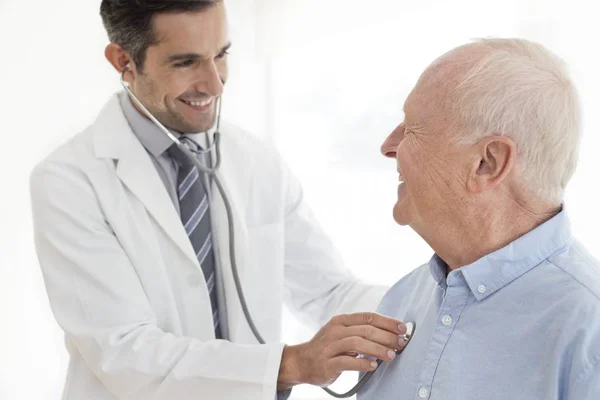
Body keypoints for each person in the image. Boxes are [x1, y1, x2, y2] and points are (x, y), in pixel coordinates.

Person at [29, 1, 410, 399]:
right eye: (186, 62)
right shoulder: (70, 182)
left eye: (221, 54)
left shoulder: (256, 160)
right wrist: (292, 364)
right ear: (124, 60)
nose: (214, 83)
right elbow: (124, 351)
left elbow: (328, 292)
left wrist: (428, 308)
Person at [358, 38, 600, 399]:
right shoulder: (402, 300)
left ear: (488, 163)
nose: (388, 146)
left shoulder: (588, 333)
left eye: (411, 128)